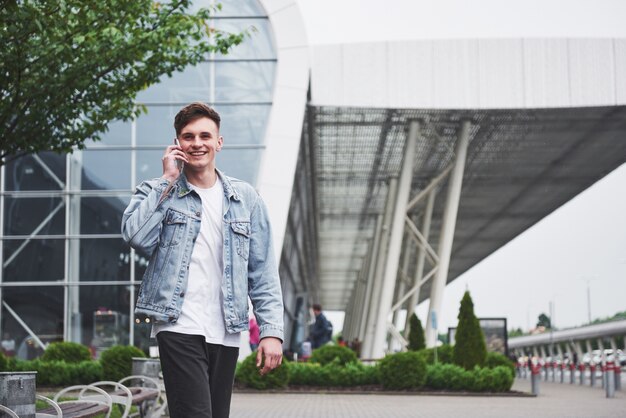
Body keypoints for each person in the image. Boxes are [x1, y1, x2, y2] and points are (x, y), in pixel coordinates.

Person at [122, 102, 284, 418]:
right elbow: (135, 236)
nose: (197, 143)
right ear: (177, 143)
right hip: (178, 322)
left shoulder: (245, 198)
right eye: (188, 136)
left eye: (205, 136)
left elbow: (262, 271)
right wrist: (167, 180)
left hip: (226, 327)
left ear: (218, 142)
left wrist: (271, 332)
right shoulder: (161, 191)